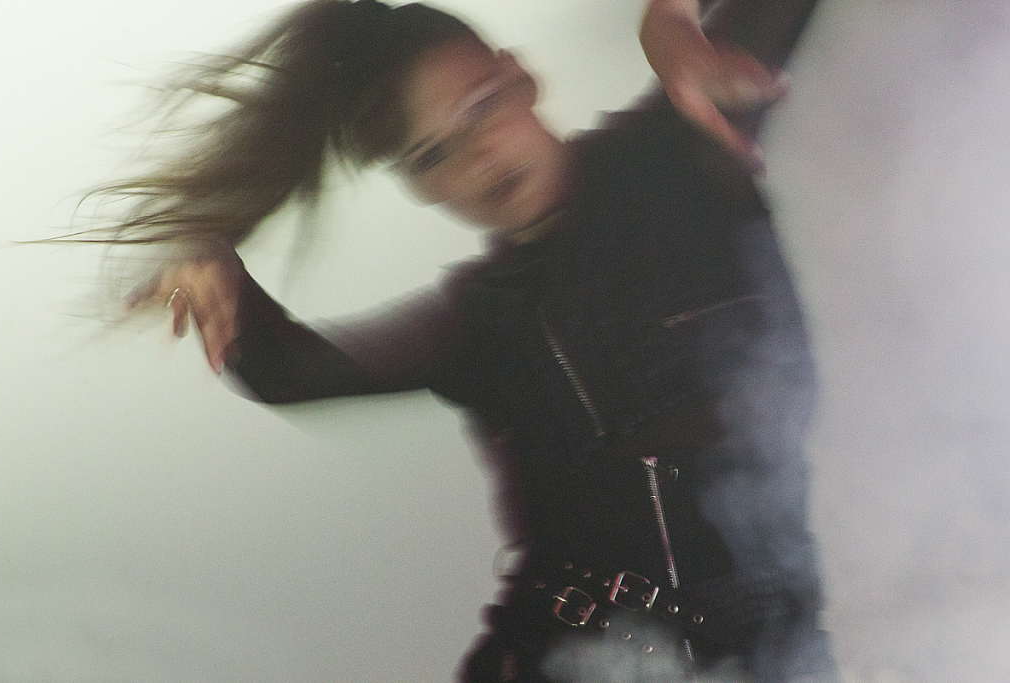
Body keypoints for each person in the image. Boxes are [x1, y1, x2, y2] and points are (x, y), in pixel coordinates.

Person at [85, 0, 833, 680]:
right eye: (431, 155)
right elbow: (288, 370)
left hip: (769, 654)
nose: (478, 156)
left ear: (520, 79)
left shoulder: (679, 149)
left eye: (479, 108)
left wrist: (667, 17)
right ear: (418, 187)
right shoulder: (478, 323)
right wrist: (210, 259)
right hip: (565, 659)